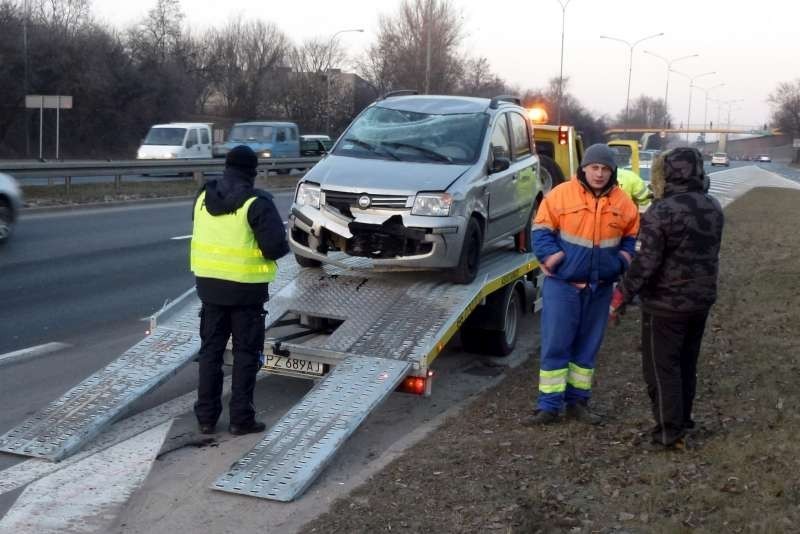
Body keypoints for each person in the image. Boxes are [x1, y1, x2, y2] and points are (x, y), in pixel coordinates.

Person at [609, 147, 724, 450]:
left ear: (668, 173)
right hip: (701, 300)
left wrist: (621, 295)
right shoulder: (712, 206)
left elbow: (645, 263)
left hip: (666, 304)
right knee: (687, 362)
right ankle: (683, 420)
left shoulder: (662, 211)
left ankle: (668, 433)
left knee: (662, 369)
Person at [526, 144, 640, 425]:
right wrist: (554, 259)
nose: (599, 174)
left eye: (605, 169)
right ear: (584, 168)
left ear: (612, 171)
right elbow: (540, 229)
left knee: (587, 348)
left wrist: (620, 263)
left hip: (600, 288)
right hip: (563, 286)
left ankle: (578, 402)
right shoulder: (560, 195)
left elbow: (631, 238)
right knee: (556, 344)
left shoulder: (623, 203)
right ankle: (549, 406)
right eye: (595, 168)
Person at [190, 145, 289, 436]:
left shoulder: (202, 196)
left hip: (209, 288)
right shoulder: (257, 203)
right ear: (252, 171)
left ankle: (206, 418)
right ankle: (240, 419)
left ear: (226, 167)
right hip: (246, 292)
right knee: (246, 355)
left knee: (210, 353)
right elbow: (274, 248)